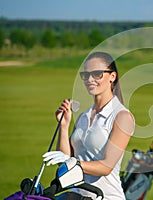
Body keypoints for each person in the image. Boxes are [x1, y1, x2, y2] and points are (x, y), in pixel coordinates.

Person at [43, 52, 135, 199]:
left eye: (97, 74)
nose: (90, 79)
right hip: (77, 195)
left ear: (112, 76)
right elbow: (66, 161)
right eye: (86, 75)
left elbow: (106, 167)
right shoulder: (83, 117)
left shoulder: (122, 116)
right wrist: (64, 126)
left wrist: (70, 161)